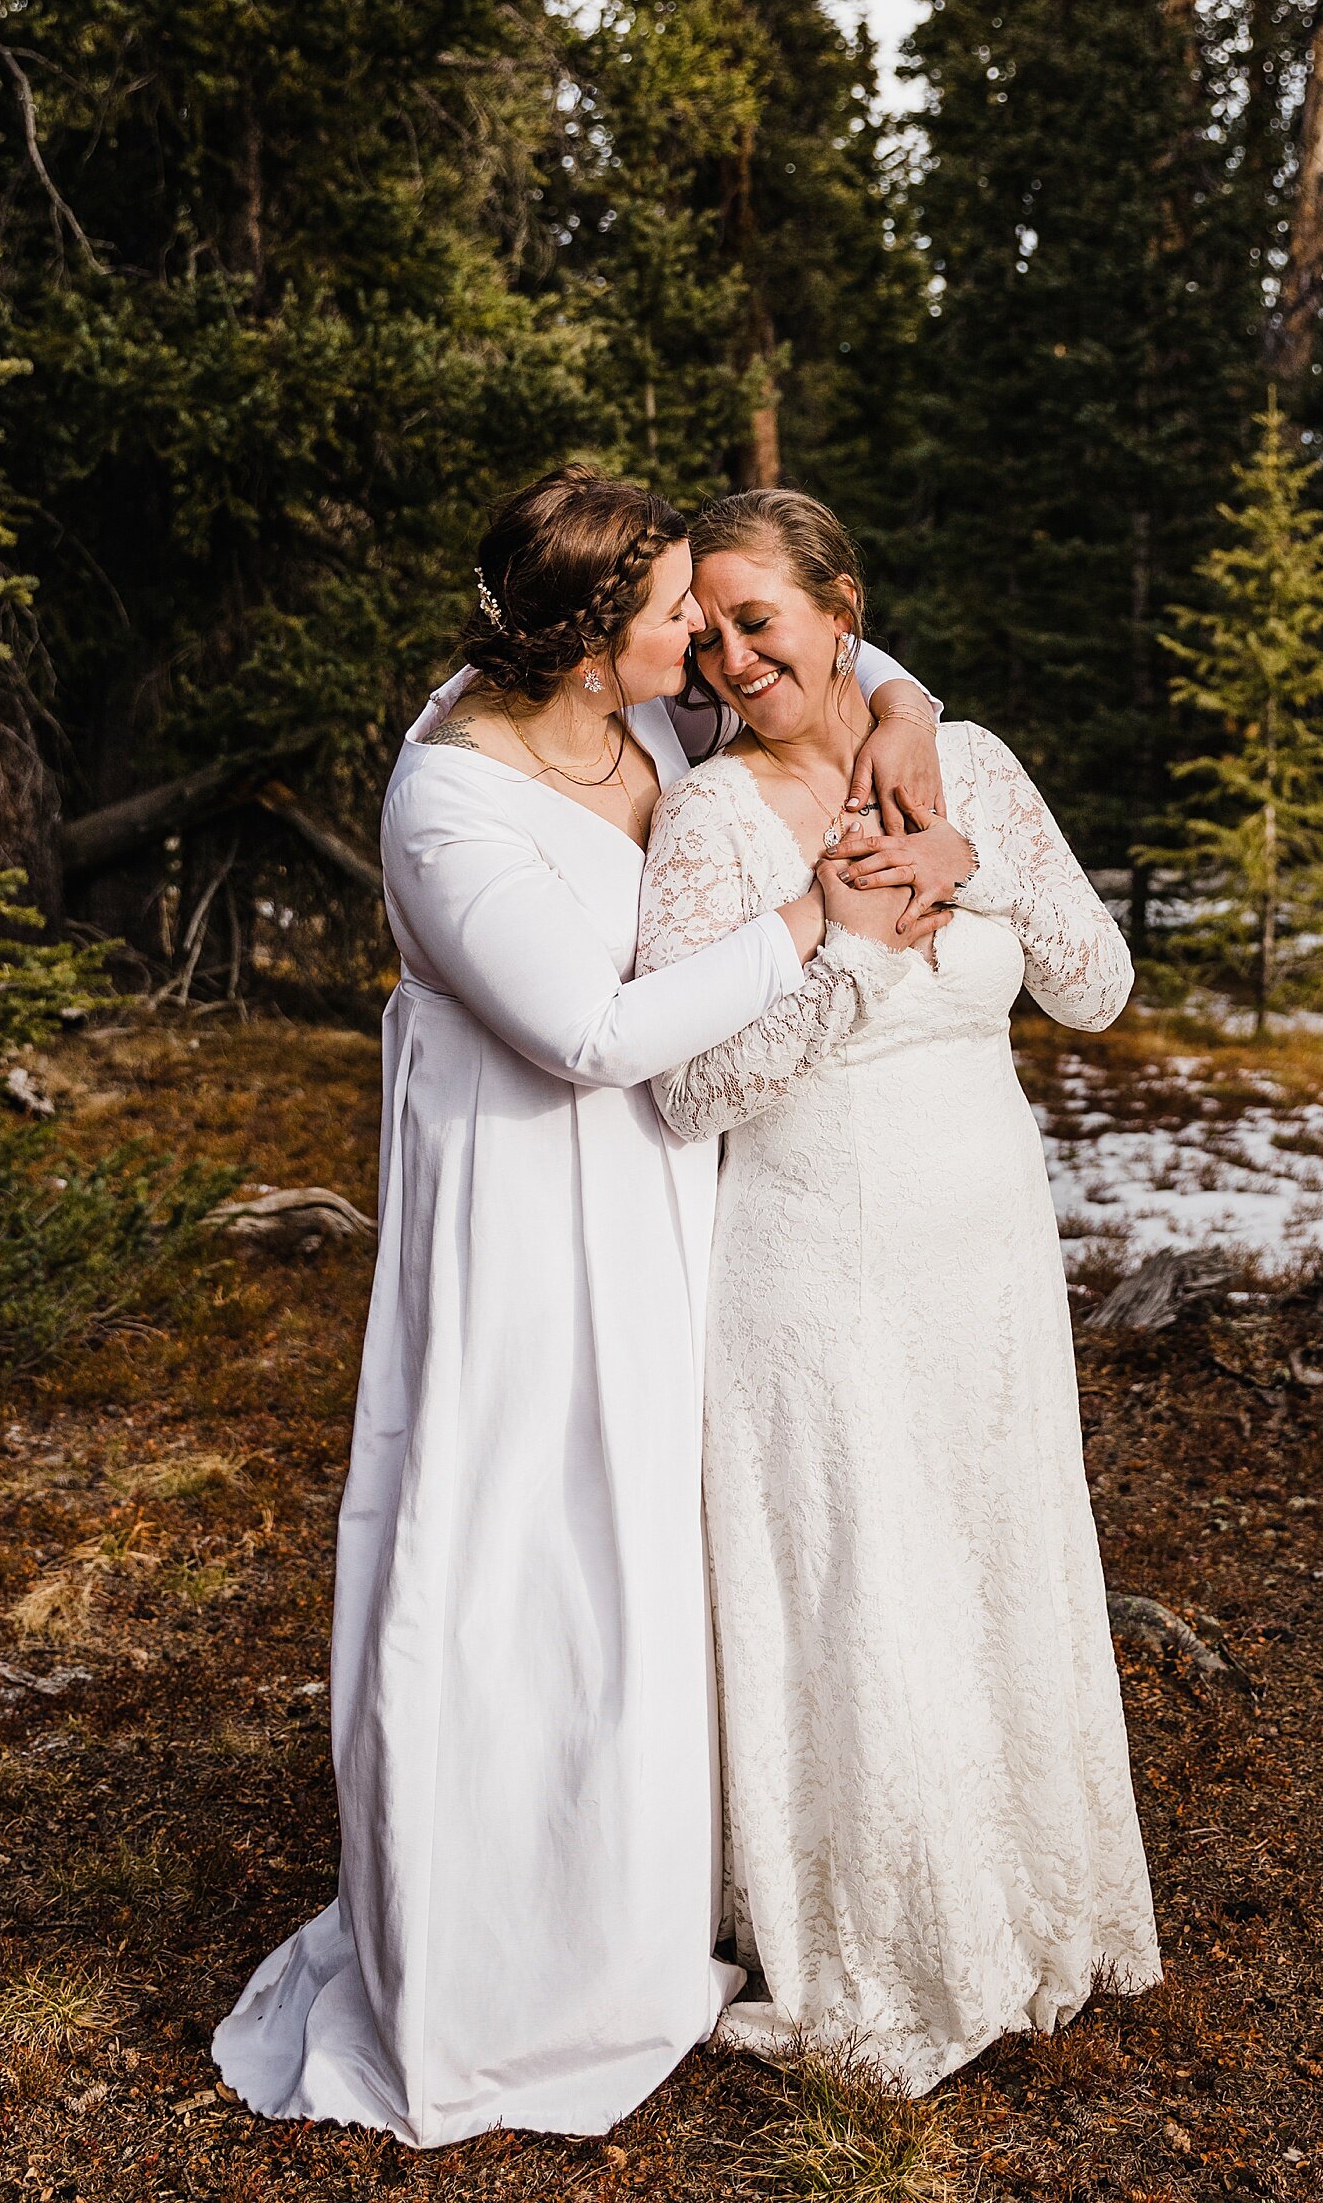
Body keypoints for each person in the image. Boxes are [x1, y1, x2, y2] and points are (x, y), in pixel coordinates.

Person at [213, 467, 942, 2148]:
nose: (703, 634)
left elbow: (824, 644)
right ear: (583, 637)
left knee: (654, 1529)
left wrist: (899, 698)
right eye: (675, 610)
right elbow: (583, 1035)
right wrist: (809, 924)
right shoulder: (447, 798)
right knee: (522, 1532)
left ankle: (653, 1891)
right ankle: (508, 1952)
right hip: (524, 1188)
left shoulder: (646, 721)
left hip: (663, 1176)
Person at [635, 489, 1162, 2098]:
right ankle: (883, 1939)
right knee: (869, 1584)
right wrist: (852, 949)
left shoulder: (970, 757)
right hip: (815, 1268)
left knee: (995, 1554)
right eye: (707, 633)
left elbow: (1099, 983)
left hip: (989, 1251)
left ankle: (1027, 1907)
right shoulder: (711, 822)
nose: (727, 657)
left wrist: (970, 860)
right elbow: (690, 1088)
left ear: (842, 604)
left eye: (758, 622)